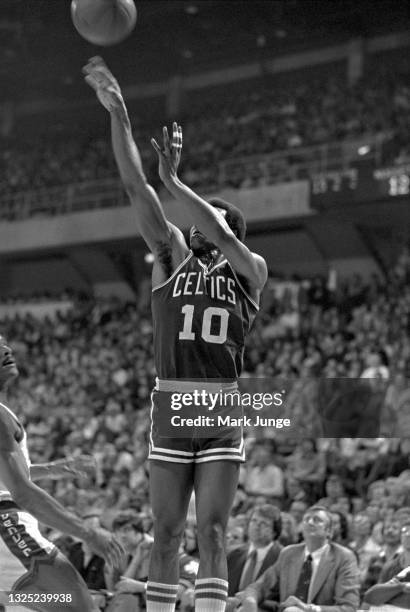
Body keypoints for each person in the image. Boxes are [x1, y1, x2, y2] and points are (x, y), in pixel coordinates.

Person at [83, 56, 267, 612]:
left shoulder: (248, 269)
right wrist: (120, 119)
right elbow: (135, 186)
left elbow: (207, 221)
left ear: (225, 226)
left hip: (219, 406)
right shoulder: (170, 258)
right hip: (173, 400)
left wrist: (176, 180)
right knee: (164, 535)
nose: (191, 224)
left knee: (211, 533)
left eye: (206, 218)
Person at [0, 335, 123, 612]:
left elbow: (11, 475)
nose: (6, 349)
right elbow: (22, 493)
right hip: (9, 528)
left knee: (53, 605)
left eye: (5, 343)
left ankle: (7, 598)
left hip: (7, 540)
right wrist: (89, 533)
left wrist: (55, 469)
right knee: (82, 609)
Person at [233, 505, 360, 612]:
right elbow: (260, 586)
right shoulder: (289, 553)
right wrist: (250, 600)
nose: (310, 522)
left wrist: (309, 609)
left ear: (329, 531)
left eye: (316, 520)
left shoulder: (344, 557)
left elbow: (349, 607)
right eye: (306, 519)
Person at [227, 504, 282, 597]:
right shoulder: (233, 554)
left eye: (263, 524)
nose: (256, 526)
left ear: (274, 531)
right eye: (254, 521)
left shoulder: (283, 557)